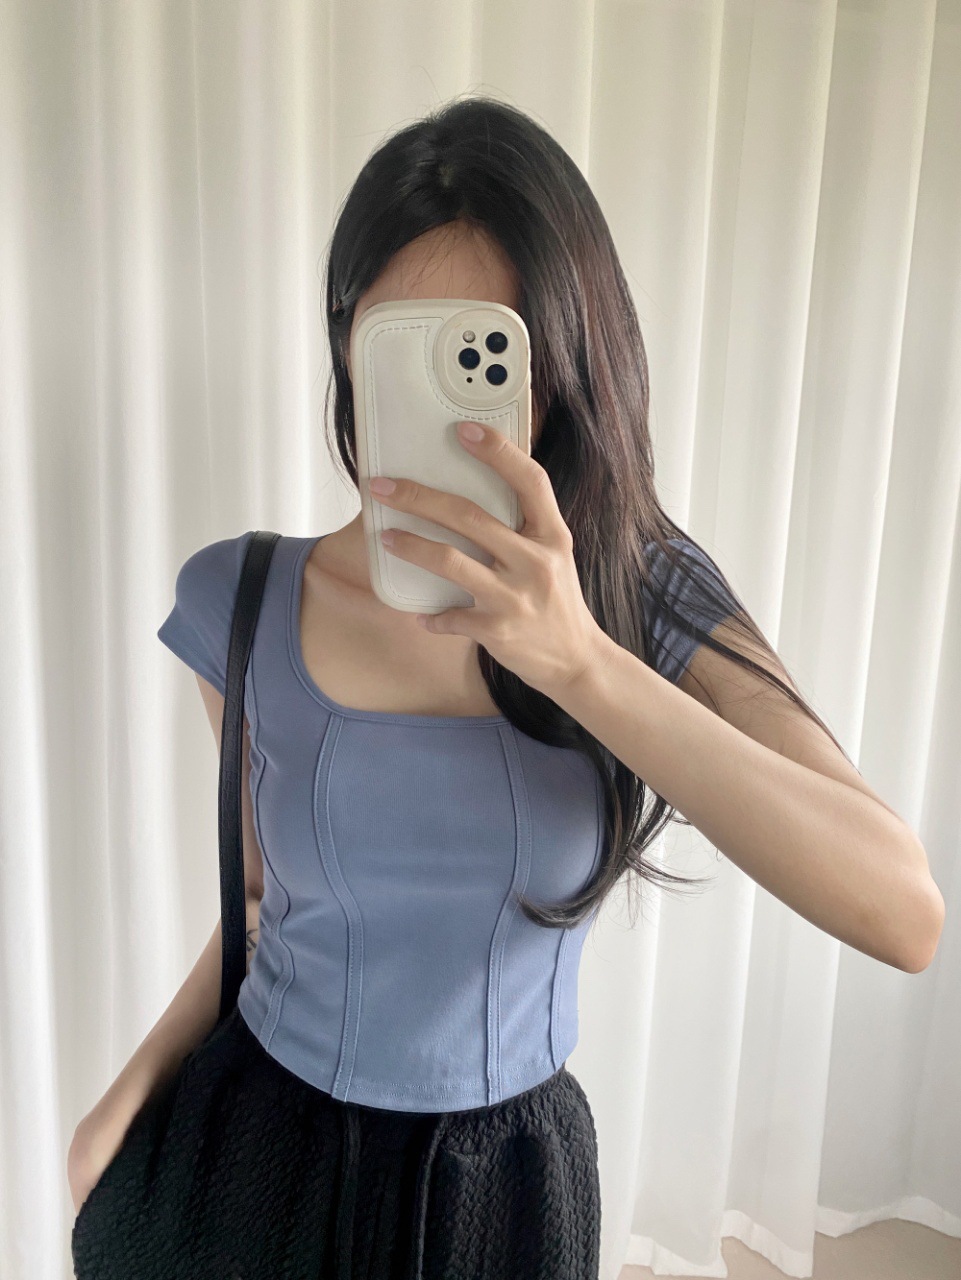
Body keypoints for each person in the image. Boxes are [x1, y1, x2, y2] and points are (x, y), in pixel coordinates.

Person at [69, 95, 942, 1280]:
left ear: (560, 366)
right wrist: (122, 1102)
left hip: (512, 1182)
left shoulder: (644, 593)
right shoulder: (240, 600)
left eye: (484, 351)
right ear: (346, 349)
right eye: (400, 344)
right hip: (266, 1150)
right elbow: (262, 901)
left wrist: (581, 658)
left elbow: (902, 911)